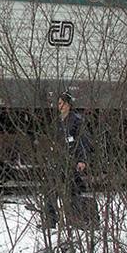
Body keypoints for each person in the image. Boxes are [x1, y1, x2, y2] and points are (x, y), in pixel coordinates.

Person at [42, 91, 92, 228]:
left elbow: (82, 141)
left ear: (68, 105)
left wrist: (82, 160)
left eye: (62, 104)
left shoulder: (76, 120)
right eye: (58, 104)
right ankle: (51, 221)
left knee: (72, 191)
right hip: (58, 161)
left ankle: (75, 220)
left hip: (71, 161)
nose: (60, 107)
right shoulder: (58, 121)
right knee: (51, 191)